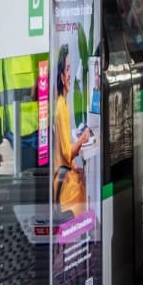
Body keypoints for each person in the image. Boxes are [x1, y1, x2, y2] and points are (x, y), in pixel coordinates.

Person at [0, 54, 49, 171]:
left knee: (53, 186)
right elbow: (1, 85)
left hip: (42, 125)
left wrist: (53, 76)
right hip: (17, 129)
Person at [52, 45, 90, 218]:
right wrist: (83, 138)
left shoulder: (63, 103)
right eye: (67, 69)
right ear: (61, 76)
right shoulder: (61, 107)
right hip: (63, 183)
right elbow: (67, 154)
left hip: (64, 174)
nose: (69, 74)